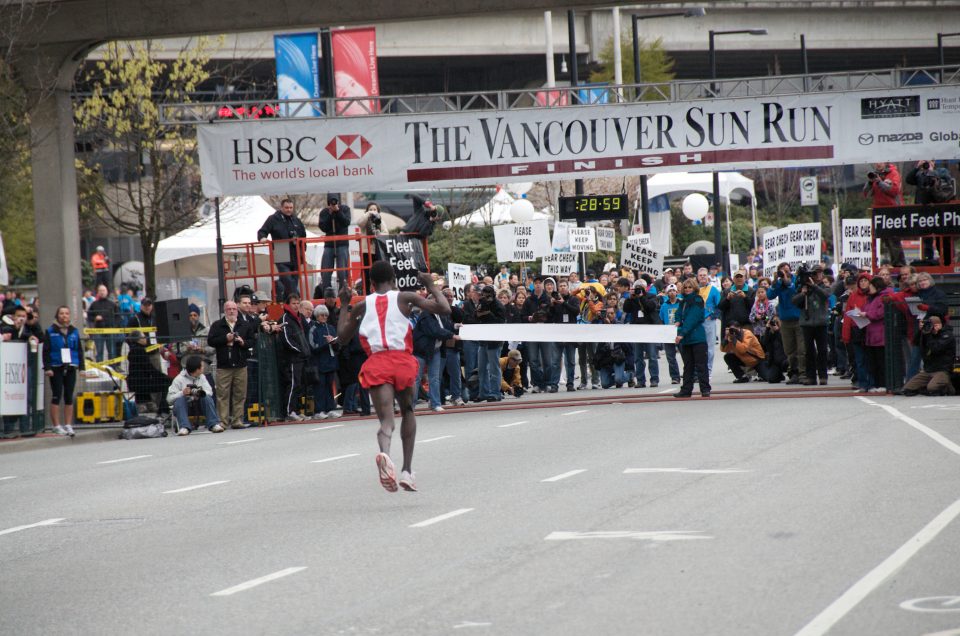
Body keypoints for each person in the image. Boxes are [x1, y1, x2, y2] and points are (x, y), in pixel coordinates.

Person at [336, 262, 450, 493]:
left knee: (386, 422)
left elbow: (342, 337)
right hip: (402, 361)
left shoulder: (361, 306)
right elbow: (444, 308)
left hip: (377, 363)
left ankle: (386, 456)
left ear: (371, 283)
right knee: (408, 411)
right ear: (394, 279)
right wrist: (431, 285)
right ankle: (407, 471)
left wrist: (345, 303)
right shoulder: (405, 297)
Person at [207, 301, 254, 429]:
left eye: (234, 309)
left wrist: (242, 342)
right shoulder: (217, 325)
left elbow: (252, 341)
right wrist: (225, 339)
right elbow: (210, 341)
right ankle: (223, 421)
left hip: (241, 364)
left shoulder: (244, 324)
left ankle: (237, 420)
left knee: (240, 393)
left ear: (237, 310)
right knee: (222, 394)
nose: (232, 311)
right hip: (224, 365)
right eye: (229, 309)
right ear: (225, 311)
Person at [43, 306, 84, 437]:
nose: (64, 316)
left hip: (71, 365)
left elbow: (79, 350)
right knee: (56, 395)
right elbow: (46, 351)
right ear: (57, 315)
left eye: (66, 313)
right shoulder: (50, 331)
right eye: (61, 313)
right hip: (56, 367)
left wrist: (82, 367)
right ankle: (56, 425)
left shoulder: (74, 331)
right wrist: (48, 367)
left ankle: (68, 424)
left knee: (68, 396)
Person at [257, 198, 307, 300]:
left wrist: (302, 251)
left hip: (295, 252)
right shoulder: (273, 219)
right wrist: (262, 238)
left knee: (294, 280)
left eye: (291, 208)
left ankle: (287, 302)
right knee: (287, 279)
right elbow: (262, 231)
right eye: (286, 208)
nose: (289, 210)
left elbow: (303, 237)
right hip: (281, 250)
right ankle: (297, 300)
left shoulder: (296, 220)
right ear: (281, 208)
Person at [412, 296, 455, 412]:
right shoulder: (426, 315)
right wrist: (452, 335)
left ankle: (435, 403)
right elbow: (434, 330)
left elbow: (445, 326)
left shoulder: (438, 314)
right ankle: (411, 405)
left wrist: (455, 326)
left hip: (435, 350)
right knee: (416, 378)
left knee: (435, 378)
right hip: (421, 351)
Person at [897, 316, 956, 396]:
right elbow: (915, 342)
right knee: (907, 389)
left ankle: (948, 386)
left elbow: (935, 348)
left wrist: (929, 334)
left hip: (942, 370)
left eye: (934, 325)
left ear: (939, 325)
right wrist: (921, 331)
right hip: (928, 370)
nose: (931, 328)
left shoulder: (946, 335)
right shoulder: (927, 334)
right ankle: (928, 386)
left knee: (932, 388)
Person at [792, 266, 831, 385]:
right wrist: (803, 293)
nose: (817, 275)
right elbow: (794, 301)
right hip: (807, 323)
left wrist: (814, 286)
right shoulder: (803, 287)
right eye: (815, 273)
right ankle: (811, 377)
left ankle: (823, 376)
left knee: (823, 350)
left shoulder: (824, 286)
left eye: (819, 273)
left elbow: (826, 295)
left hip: (821, 322)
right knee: (809, 351)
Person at [769, 263, 806, 384]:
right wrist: (776, 282)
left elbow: (794, 291)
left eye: (787, 270)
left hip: (798, 319)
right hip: (785, 320)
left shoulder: (796, 281)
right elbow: (770, 295)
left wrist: (786, 280)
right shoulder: (778, 283)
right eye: (782, 271)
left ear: (790, 270)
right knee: (789, 350)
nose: (785, 273)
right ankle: (793, 372)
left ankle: (803, 373)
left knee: (801, 348)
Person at [168, 355, 224, 435]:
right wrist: (182, 393)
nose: (203, 368)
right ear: (197, 369)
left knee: (207, 397)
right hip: (185, 406)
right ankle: (184, 427)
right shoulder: (179, 379)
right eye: (202, 366)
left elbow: (209, 391)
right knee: (180, 400)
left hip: (199, 404)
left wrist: (199, 392)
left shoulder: (202, 377)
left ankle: (213, 424)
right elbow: (169, 399)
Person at [862, 162, 905, 265]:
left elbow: (893, 190)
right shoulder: (875, 175)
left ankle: (899, 263)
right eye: (876, 162)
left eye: (880, 161)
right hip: (880, 212)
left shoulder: (893, 173)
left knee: (894, 239)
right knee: (886, 240)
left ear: (885, 161)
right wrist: (870, 182)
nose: (878, 164)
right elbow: (865, 194)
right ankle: (892, 263)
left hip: (893, 211)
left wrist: (879, 182)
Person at [674, 278, 710, 398]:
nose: (688, 289)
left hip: (697, 337)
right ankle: (686, 389)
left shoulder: (697, 299)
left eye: (690, 287)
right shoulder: (683, 301)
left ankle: (705, 389)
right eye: (686, 287)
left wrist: (682, 333)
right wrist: (678, 321)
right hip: (687, 338)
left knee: (701, 365)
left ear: (694, 288)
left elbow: (692, 319)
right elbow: (678, 313)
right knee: (688, 365)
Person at [278, 292, 311, 420]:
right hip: (292, 357)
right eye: (293, 303)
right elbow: (286, 339)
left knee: (300, 385)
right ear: (288, 304)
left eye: (298, 303)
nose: (296, 306)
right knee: (292, 384)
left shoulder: (299, 318)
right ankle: (289, 411)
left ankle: (296, 410)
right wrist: (298, 350)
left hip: (301, 356)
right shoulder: (285, 318)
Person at [475, 285, 506, 402]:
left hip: (495, 341)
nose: (486, 298)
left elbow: (500, 322)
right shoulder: (482, 303)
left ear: (493, 295)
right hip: (483, 340)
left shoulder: (499, 306)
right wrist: (480, 312)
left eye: (488, 296)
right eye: (484, 295)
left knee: (494, 368)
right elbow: (475, 317)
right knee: (482, 368)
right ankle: (483, 392)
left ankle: (495, 393)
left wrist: (488, 313)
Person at [862, 276, 893, 393]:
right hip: (871, 334)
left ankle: (883, 384)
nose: (869, 288)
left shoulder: (883, 297)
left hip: (880, 334)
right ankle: (876, 384)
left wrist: (866, 314)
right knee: (873, 361)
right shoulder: (871, 298)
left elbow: (880, 313)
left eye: (870, 285)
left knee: (881, 361)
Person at [308, 304, 340, 419]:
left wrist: (334, 342)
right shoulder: (313, 329)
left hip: (330, 362)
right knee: (319, 387)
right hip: (319, 362)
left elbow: (337, 345)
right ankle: (319, 410)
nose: (324, 317)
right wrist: (326, 343)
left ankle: (330, 408)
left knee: (329, 387)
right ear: (317, 316)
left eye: (326, 315)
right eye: (322, 315)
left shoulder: (331, 328)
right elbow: (313, 346)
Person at [318, 194, 351, 291]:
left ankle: (343, 291)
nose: (333, 203)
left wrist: (338, 211)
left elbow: (346, 222)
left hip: (342, 244)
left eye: (335, 201)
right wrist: (330, 214)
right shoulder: (324, 212)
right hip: (329, 244)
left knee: (342, 271)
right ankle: (327, 292)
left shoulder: (345, 209)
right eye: (331, 202)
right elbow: (323, 227)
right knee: (326, 271)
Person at [696, 268, 721, 376]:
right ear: (697, 277)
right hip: (696, 323)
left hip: (708, 322)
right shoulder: (694, 290)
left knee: (709, 348)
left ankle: (708, 371)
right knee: (698, 348)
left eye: (704, 275)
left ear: (708, 276)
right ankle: (699, 371)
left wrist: (713, 316)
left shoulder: (713, 290)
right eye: (700, 275)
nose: (702, 277)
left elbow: (719, 305)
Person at [658, 284, 682, 384]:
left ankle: (691, 374)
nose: (672, 292)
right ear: (667, 293)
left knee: (686, 355)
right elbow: (661, 319)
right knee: (670, 357)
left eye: (674, 291)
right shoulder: (664, 305)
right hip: (669, 333)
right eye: (670, 291)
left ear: (677, 292)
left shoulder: (681, 303)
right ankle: (675, 377)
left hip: (680, 331)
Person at [87, 284, 118, 361]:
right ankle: (99, 369)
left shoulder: (112, 304)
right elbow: (89, 316)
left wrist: (114, 325)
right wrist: (95, 318)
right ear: (98, 292)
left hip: (110, 330)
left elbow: (118, 317)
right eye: (100, 291)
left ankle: (112, 368)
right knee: (99, 351)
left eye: (103, 290)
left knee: (111, 351)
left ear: (107, 292)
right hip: (98, 330)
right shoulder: (94, 304)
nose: (102, 292)